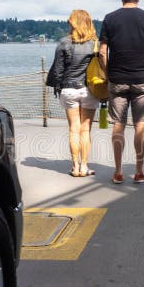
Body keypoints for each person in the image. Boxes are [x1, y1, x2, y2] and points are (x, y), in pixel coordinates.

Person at [98, 0, 144, 184]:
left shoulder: (109, 19)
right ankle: (139, 170)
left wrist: (108, 73)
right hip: (143, 78)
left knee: (118, 124)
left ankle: (117, 171)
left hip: (117, 79)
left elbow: (102, 52)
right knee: (140, 124)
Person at [48, 9, 100, 177]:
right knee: (85, 130)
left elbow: (57, 71)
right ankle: (84, 166)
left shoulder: (64, 43)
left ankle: (75, 167)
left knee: (73, 129)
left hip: (69, 90)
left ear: (73, 23)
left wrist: (57, 86)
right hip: (89, 90)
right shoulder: (95, 44)